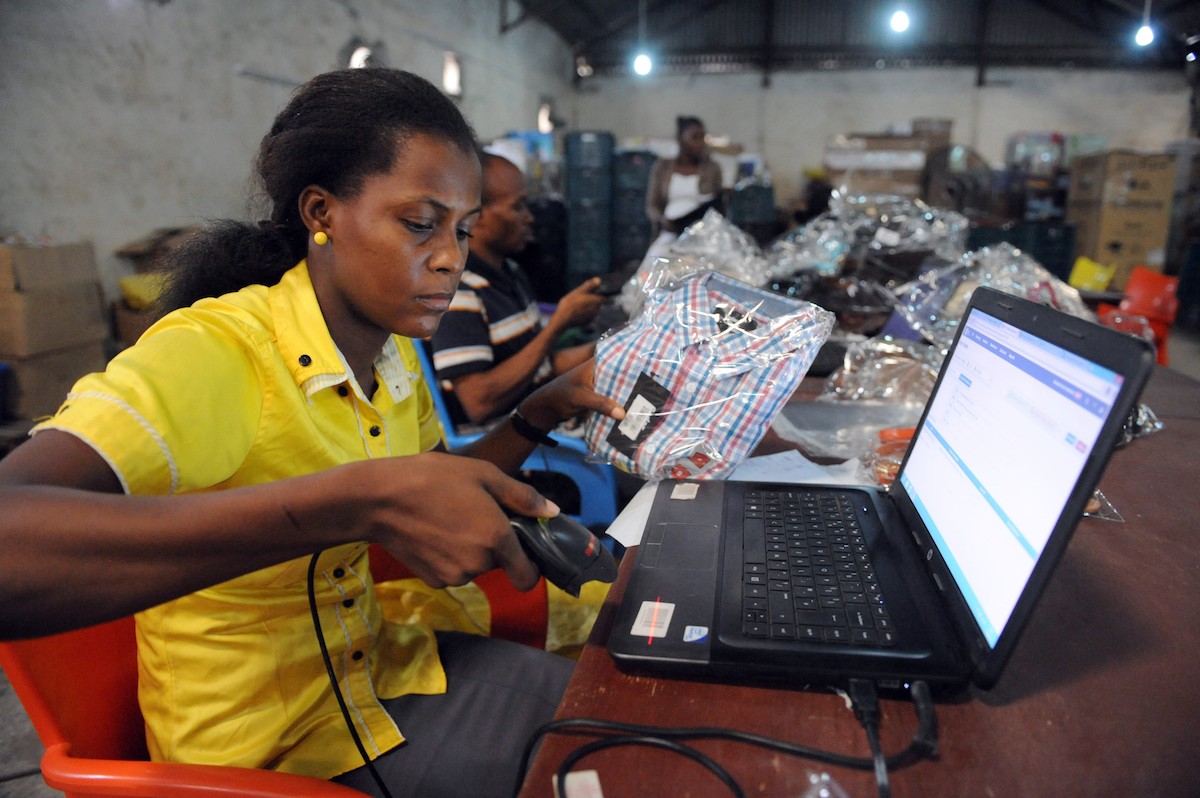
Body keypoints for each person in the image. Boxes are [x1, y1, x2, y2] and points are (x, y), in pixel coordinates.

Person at [0, 68, 624, 798]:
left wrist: (537, 412)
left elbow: (426, 490)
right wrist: (349, 502)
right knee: (621, 764)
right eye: (420, 224)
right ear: (322, 213)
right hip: (273, 751)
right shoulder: (217, 355)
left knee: (631, 707)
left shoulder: (389, 354)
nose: (451, 257)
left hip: (382, 672)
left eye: (462, 228)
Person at [429, 151, 607, 428]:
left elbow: (540, 366)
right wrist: (557, 325)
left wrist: (615, 346)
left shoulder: (510, 272)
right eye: (518, 207)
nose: (530, 218)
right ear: (476, 216)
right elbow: (477, 403)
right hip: (499, 441)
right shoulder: (458, 290)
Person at [641, 115, 724, 265]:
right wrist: (663, 220)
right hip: (671, 233)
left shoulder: (712, 168)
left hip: (702, 238)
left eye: (702, 137)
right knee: (654, 269)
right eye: (694, 137)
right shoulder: (662, 167)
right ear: (680, 139)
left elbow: (717, 206)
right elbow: (652, 205)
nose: (700, 143)